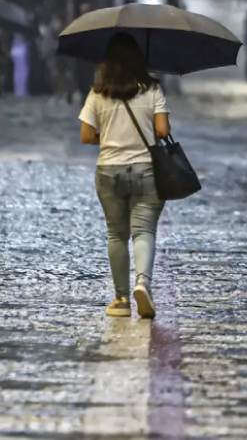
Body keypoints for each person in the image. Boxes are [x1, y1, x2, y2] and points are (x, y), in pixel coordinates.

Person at [78, 33, 171, 319]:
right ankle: (142, 283)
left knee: (116, 234)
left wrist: (108, 136)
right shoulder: (152, 89)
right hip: (146, 169)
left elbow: (85, 135)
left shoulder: (98, 92)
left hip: (109, 170)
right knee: (144, 231)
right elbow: (163, 131)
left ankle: (120, 299)